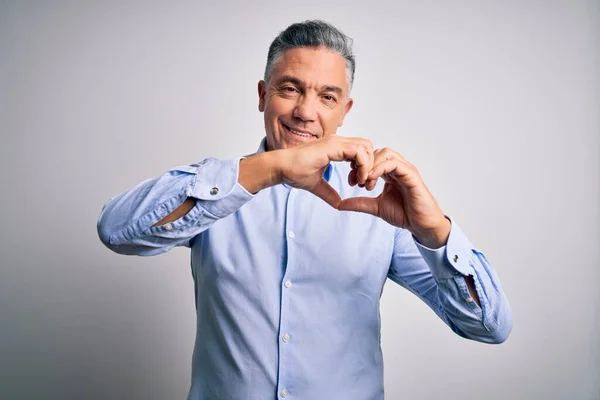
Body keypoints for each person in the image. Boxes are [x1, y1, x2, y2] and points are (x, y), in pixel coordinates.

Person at [97, 19, 512, 400]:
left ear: (344, 111)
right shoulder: (216, 188)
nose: (305, 112)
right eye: (290, 89)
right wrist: (273, 167)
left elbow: (489, 326)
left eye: (327, 97)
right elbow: (117, 231)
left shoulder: (382, 208)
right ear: (263, 95)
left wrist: (434, 231)